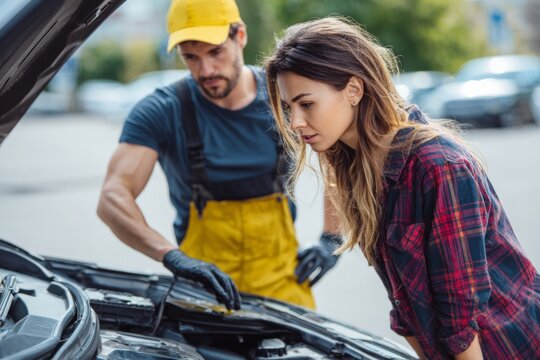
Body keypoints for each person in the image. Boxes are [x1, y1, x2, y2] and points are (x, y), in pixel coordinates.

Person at [265, 16, 540, 360]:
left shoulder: (438, 166)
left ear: (353, 90)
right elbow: (405, 305)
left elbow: (460, 322)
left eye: (306, 104)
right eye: (289, 108)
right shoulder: (356, 166)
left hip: (508, 346)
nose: (295, 123)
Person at [97, 0, 342, 312]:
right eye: (191, 57)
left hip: (283, 287)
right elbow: (112, 198)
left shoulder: (282, 96)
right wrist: (171, 256)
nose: (206, 70)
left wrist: (332, 239)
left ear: (240, 36)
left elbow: (337, 160)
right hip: (202, 292)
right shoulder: (162, 110)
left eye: (215, 52)